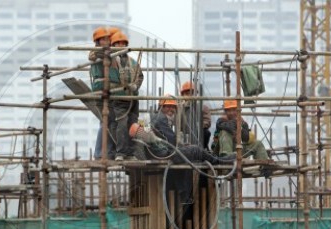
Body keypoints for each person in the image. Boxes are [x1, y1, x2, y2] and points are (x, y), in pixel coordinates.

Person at [143, 96, 235, 164]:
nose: (171, 109)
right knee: (196, 150)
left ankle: (215, 158)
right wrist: (182, 146)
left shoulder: (158, 118)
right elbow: (171, 140)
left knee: (197, 146)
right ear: (161, 107)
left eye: (173, 107)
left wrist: (182, 145)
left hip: (162, 152)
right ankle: (219, 161)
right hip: (164, 154)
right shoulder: (161, 118)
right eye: (167, 106)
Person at [108, 31, 143, 161]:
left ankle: (132, 153)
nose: (121, 45)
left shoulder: (133, 62)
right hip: (119, 99)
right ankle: (121, 153)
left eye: (123, 43)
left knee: (133, 126)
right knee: (121, 125)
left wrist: (136, 85)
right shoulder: (110, 62)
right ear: (113, 45)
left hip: (133, 99)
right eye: (118, 43)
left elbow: (140, 76)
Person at [90, 27, 117, 160]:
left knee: (109, 122)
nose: (107, 41)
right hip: (101, 90)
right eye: (104, 39)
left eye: (108, 38)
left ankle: (107, 151)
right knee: (105, 121)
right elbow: (94, 56)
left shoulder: (109, 53)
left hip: (108, 90)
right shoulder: (97, 52)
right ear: (98, 41)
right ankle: (100, 153)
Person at [180, 81, 211, 150]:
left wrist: (197, 127)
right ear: (182, 95)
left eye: (191, 93)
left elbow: (207, 121)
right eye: (187, 94)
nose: (189, 96)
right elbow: (176, 122)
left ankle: (202, 150)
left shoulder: (202, 107)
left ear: (196, 95)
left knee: (206, 133)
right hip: (185, 133)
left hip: (198, 133)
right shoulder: (179, 108)